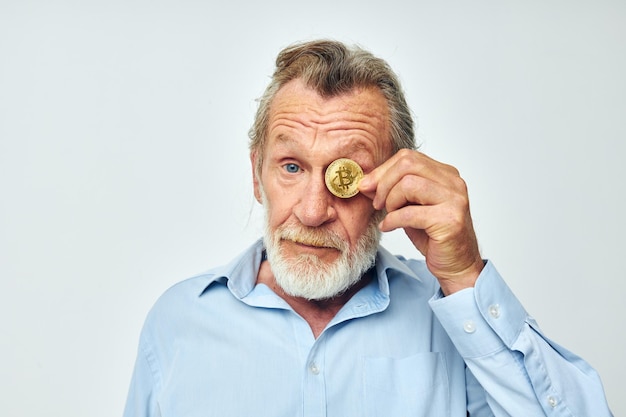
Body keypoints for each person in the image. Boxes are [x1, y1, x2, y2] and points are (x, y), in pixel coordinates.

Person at [123, 40, 613, 416]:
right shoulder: (176, 324)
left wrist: (464, 275)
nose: (313, 212)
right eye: (291, 167)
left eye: (346, 176)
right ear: (257, 175)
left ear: (390, 187)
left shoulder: (449, 315)